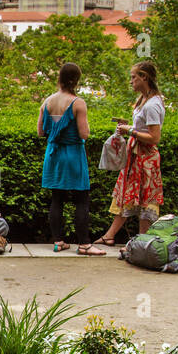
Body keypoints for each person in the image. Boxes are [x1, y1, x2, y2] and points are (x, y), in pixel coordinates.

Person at [37, 61, 105, 255]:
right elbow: (84, 134)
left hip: (53, 155)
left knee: (57, 198)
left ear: (59, 78)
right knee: (81, 198)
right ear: (76, 80)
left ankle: (59, 241)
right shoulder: (78, 103)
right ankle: (84, 244)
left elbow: (41, 131)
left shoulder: (47, 102)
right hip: (73, 154)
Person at [96, 60, 165, 246]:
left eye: (134, 77)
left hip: (145, 158)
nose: (131, 81)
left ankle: (140, 240)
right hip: (135, 156)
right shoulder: (144, 100)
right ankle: (114, 235)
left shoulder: (152, 105)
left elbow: (154, 137)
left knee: (143, 199)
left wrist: (131, 131)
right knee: (128, 194)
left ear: (144, 77)